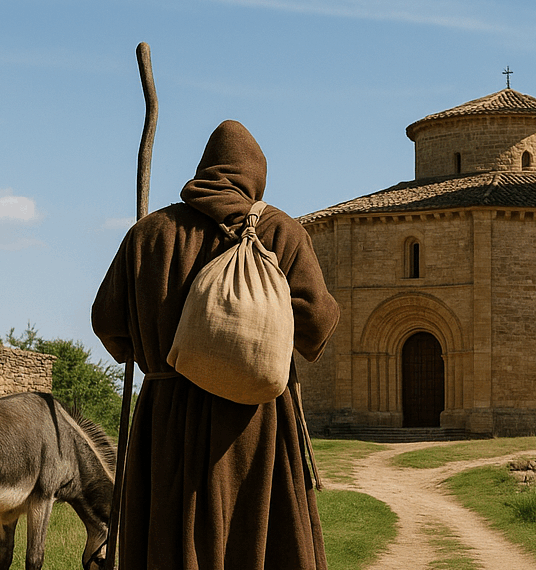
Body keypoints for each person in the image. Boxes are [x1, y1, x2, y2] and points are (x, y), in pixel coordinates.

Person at [92, 120, 340, 570]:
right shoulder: (281, 232)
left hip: (166, 418)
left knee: (170, 536)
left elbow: (108, 324)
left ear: (204, 168)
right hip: (256, 423)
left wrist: (152, 337)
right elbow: (317, 325)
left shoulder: (149, 233)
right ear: (256, 177)